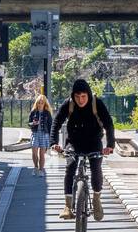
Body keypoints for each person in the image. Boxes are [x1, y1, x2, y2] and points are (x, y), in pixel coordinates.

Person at [49, 78, 116, 221]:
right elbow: (57, 121)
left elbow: (108, 124)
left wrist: (110, 145)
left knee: (96, 168)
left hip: (94, 142)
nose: (80, 100)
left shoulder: (96, 103)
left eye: (84, 96)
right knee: (70, 167)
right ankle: (67, 206)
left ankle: (97, 199)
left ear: (88, 95)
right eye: (77, 96)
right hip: (74, 142)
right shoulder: (69, 104)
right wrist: (53, 142)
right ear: (73, 96)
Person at [28, 93, 53, 175]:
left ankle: (41, 170)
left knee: (41, 154)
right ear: (37, 103)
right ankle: (35, 167)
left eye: (42, 102)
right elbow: (29, 123)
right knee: (34, 152)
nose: (40, 104)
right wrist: (33, 123)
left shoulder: (47, 113)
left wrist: (51, 138)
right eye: (39, 102)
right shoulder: (33, 112)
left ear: (44, 103)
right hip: (35, 134)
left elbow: (50, 126)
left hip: (44, 134)